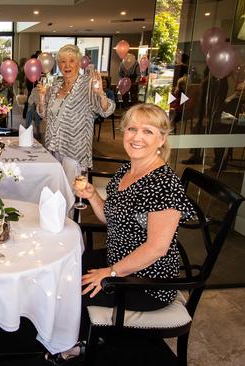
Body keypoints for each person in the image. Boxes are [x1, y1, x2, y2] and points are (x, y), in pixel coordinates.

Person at [46, 103, 196, 364]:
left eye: (147, 131)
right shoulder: (129, 169)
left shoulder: (164, 183)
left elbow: (157, 249)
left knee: (72, 287)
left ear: (161, 139)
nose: (137, 137)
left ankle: (79, 343)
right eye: (132, 129)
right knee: (62, 268)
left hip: (146, 281)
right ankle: (74, 333)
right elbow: (110, 218)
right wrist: (93, 195)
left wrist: (111, 272)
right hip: (119, 258)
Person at [37, 44, 115, 181]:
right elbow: (44, 115)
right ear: (58, 64)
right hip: (53, 146)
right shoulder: (55, 84)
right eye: (63, 61)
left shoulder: (88, 84)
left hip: (74, 151)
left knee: (73, 193)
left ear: (79, 64)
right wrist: (42, 98)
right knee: (55, 189)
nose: (67, 65)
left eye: (71, 61)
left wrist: (101, 94)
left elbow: (107, 110)